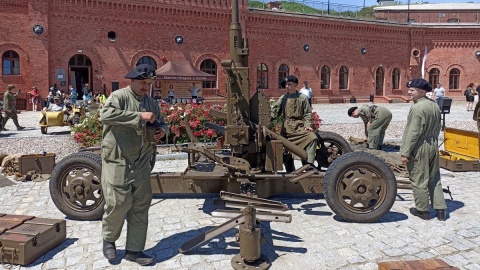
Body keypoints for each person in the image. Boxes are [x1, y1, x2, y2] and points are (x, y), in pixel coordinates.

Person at [100, 64, 168, 265]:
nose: (146, 87)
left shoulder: (151, 102)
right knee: (118, 203)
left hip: (141, 161)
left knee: (141, 204)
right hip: (118, 159)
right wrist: (138, 116)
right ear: (133, 80)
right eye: (143, 83)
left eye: (149, 83)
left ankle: (134, 250)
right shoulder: (119, 97)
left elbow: (162, 123)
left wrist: (163, 130)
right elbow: (105, 115)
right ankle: (109, 240)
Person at [400, 78, 447, 221]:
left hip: (420, 147)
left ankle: (422, 210)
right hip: (433, 144)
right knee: (434, 178)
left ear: (421, 92)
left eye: (412, 90)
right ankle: (440, 210)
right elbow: (438, 126)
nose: (409, 92)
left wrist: (405, 152)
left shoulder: (417, 107)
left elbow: (413, 132)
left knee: (419, 178)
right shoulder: (434, 105)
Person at [271, 75, 317, 170]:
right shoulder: (283, 98)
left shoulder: (303, 98)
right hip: (287, 130)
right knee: (285, 152)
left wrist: (307, 125)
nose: (287, 86)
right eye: (286, 85)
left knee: (312, 138)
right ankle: (290, 170)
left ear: (295, 84)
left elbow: (307, 113)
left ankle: (309, 164)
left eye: (289, 84)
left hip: (299, 128)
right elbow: (275, 112)